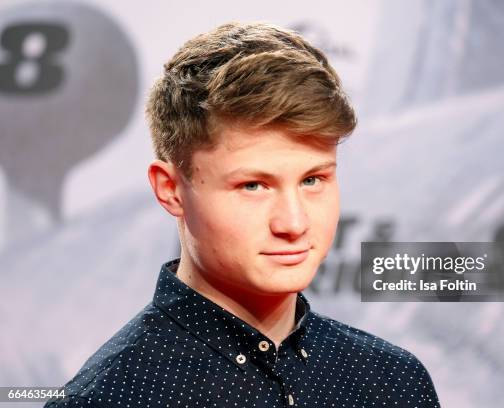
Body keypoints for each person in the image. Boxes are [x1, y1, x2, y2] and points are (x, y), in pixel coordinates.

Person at [45, 22, 440, 407]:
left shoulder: (395, 381)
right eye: (253, 186)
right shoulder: (105, 399)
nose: (294, 223)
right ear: (170, 190)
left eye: (313, 180)